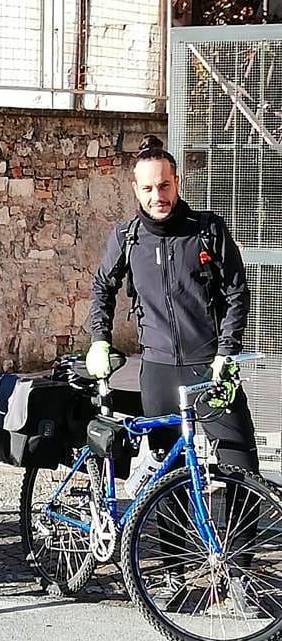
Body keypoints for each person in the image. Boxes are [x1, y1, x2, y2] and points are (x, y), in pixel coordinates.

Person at [86, 134, 259, 613]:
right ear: (135, 189)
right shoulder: (127, 238)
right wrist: (100, 338)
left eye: (164, 185)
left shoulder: (207, 230)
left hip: (210, 369)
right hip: (158, 370)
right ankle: (175, 571)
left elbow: (237, 292)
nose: (157, 196)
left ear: (177, 182)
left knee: (242, 464)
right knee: (165, 475)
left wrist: (227, 351)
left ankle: (241, 571)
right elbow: (101, 288)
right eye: (147, 188)